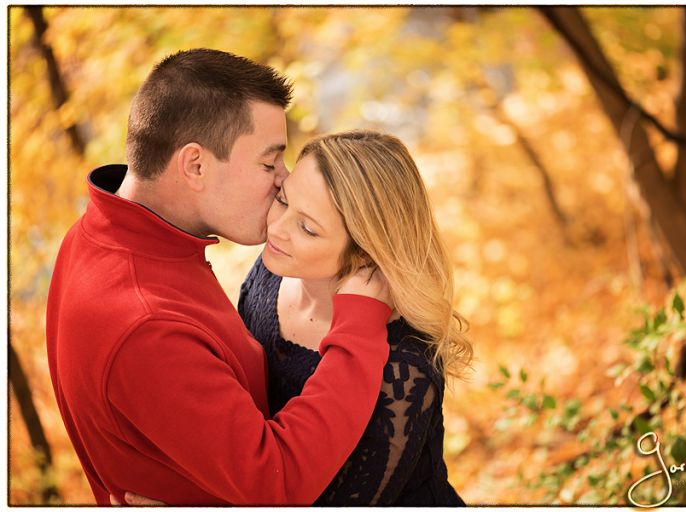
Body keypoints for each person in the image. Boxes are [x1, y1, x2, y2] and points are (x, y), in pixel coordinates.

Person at [46, 48, 394, 506]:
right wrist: (360, 324)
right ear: (195, 165)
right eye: (269, 163)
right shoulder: (147, 324)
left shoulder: (96, 235)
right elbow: (278, 483)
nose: (282, 180)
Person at [239, 130, 473, 505]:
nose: (276, 228)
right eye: (283, 201)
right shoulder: (273, 273)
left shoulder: (405, 367)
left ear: (365, 252)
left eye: (308, 228)